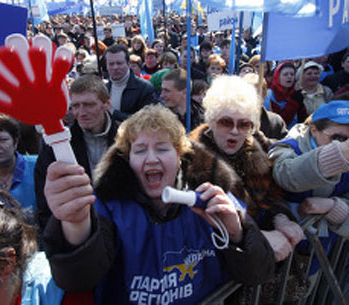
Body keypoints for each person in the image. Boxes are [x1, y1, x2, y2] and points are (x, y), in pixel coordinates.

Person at [42, 104, 275, 304]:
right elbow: (77, 280)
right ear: (128, 158)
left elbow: (258, 272)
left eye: (162, 148)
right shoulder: (108, 207)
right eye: (140, 150)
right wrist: (75, 224)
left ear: (179, 155)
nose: (151, 158)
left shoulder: (213, 194)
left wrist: (237, 234)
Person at [188, 75, 303, 262]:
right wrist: (258, 239)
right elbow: (201, 226)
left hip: (271, 262)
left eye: (243, 124)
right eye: (226, 122)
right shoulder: (190, 159)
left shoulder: (258, 150)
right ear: (211, 120)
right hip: (225, 265)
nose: (235, 130)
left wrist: (281, 218)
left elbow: (273, 197)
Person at [268, 100, 349, 293]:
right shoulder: (289, 146)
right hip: (277, 256)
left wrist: (333, 206)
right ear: (313, 130)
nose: (345, 147)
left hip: (318, 256)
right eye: (338, 138)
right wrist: (336, 157)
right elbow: (286, 174)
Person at [34, 75, 118, 233]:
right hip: (78, 231)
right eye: (76, 106)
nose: (81, 112)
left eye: (89, 105)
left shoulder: (127, 138)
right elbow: (44, 200)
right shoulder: (55, 145)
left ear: (106, 103)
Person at [104, 44, 158, 121]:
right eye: (111, 64)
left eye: (119, 63)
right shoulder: (104, 89)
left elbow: (146, 121)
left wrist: (114, 113)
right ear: (106, 65)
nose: (115, 67)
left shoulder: (145, 88)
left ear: (128, 63)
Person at [243, 73, 288, 140]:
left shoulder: (276, 121)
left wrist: (266, 142)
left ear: (264, 94)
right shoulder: (232, 121)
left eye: (257, 92)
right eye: (248, 92)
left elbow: (284, 145)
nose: (253, 97)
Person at [265, 62, 307, 129]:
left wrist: (301, 105)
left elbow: (302, 119)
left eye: (292, 74)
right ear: (278, 77)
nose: (289, 77)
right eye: (285, 74)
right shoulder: (269, 95)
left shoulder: (295, 93)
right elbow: (280, 122)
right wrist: (294, 103)